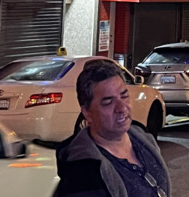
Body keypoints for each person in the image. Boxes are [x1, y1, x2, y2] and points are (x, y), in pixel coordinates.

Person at [55, 59, 171, 197]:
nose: (122, 108)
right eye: (108, 102)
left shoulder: (144, 140)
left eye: (124, 96)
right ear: (87, 113)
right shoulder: (82, 173)